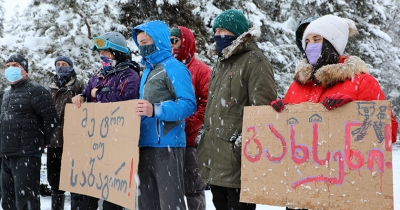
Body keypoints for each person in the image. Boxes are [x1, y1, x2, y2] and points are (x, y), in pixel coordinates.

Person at [269, 14, 399, 209]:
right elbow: (287, 136)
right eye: (307, 41)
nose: (310, 46)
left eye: (317, 39)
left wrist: (352, 112)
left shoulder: (361, 82)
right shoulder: (298, 85)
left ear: (332, 43)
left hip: (341, 189)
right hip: (302, 188)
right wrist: (279, 114)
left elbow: (390, 131)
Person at [196, 9, 277, 210]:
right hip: (215, 156)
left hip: (238, 159)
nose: (218, 35)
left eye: (223, 30)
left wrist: (243, 143)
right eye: (216, 31)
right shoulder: (221, 62)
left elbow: (263, 108)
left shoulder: (255, 60)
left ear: (238, 33)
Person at [71, 31, 141, 210]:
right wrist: (80, 97)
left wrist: (99, 95)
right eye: (100, 53)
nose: (102, 56)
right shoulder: (97, 76)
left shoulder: (129, 75)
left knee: (113, 198)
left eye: (106, 52)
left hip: (118, 145)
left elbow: (127, 100)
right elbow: (88, 94)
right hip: (95, 145)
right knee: (87, 195)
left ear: (117, 53)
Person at [132, 20, 196, 210]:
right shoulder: (147, 70)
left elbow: (188, 104)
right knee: (146, 204)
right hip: (144, 145)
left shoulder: (174, 67)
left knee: (170, 204)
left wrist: (156, 109)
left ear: (159, 41)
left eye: (146, 42)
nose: (142, 47)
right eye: (140, 43)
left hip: (167, 144)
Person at [0, 54, 58, 210]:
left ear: (25, 70)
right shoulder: (6, 94)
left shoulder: (36, 90)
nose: (10, 69)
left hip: (27, 154)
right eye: (7, 66)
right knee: (8, 200)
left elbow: (51, 119)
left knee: (26, 201)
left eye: (15, 65)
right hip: (6, 154)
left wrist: (42, 142)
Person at [170, 26, 210, 210]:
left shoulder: (201, 70)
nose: (172, 46)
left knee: (193, 188)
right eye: (169, 41)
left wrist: (189, 123)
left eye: (175, 40)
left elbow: (207, 102)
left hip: (189, 140)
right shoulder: (166, 68)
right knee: (170, 189)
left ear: (185, 41)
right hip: (167, 140)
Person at [48, 56, 85, 210]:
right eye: (58, 64)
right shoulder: (50, 87)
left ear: (71, 66)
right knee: (55, 182)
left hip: (73, 141)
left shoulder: (79, 85)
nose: (61, 67)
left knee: (74, 181)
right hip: (53, 141)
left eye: (64, 64)